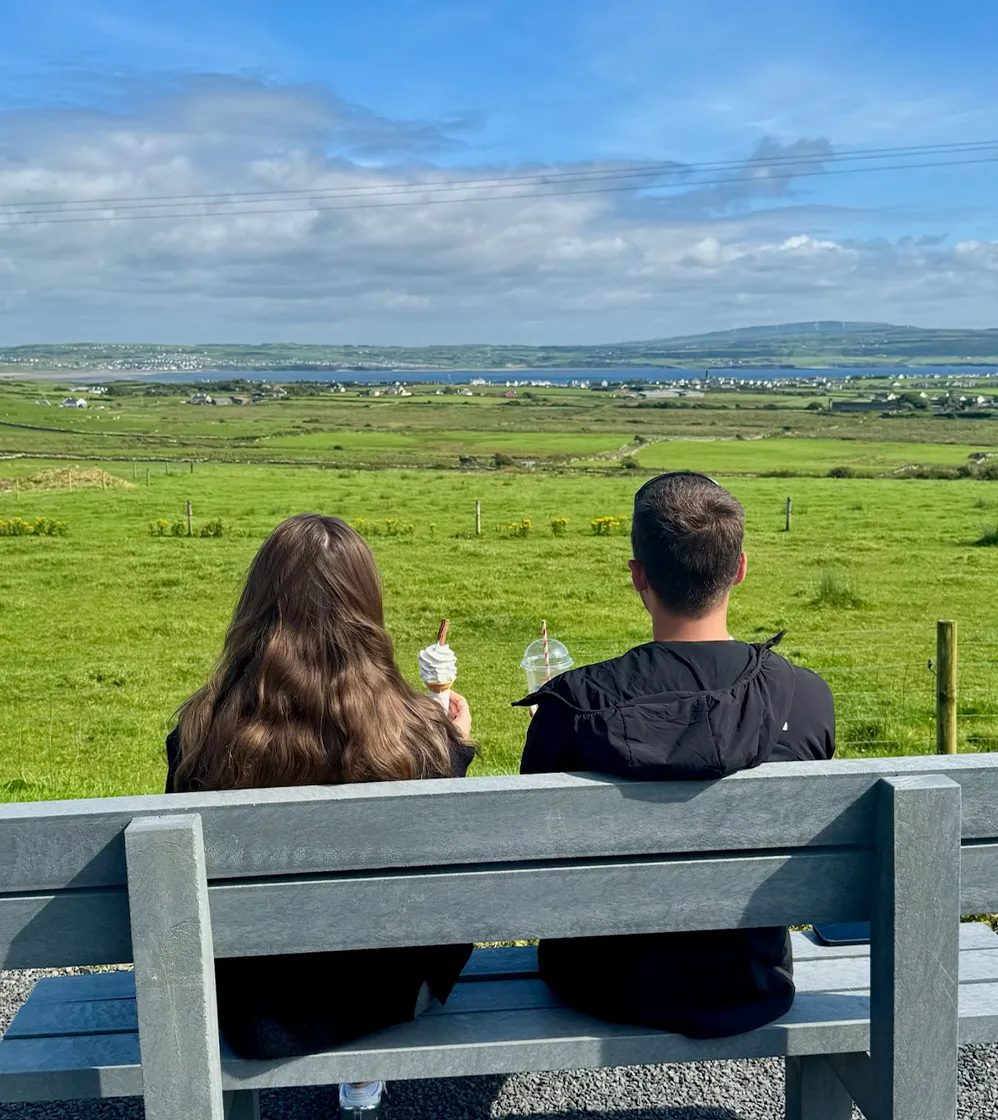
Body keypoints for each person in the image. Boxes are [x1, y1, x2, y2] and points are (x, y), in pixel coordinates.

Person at [166, 513, 475, 1117]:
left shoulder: (202, 732)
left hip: (250, 1009)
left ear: (257, 608)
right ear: (366, 608)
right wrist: (454, 743)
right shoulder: (418, 736)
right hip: (395, 992)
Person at [516, 471, 835, 1039]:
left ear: (638, 577)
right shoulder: (807, 698)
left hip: (599, 981)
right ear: (738, 569)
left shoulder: (572, 707)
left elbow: (538, 859)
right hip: (752, 981)